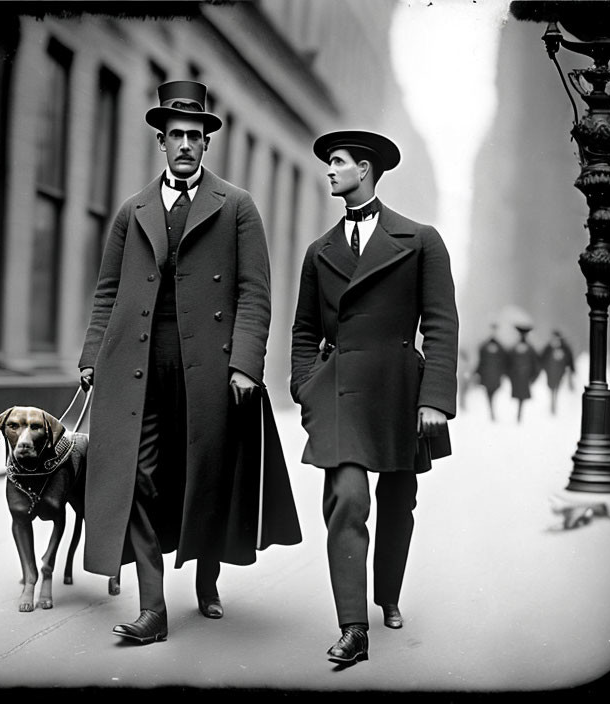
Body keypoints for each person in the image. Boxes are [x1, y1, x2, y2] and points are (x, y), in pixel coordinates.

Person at [78, 80, 301, 645]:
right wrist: (90, 358)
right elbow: (108, 293)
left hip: (211, 366)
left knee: (205, 474)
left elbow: (255, 292)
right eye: (175, 135)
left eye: (194, 136)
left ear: (206, 144)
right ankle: (153, 607)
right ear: (161, 141)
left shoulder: (237, 207)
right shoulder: (134, 211)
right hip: (138, 364)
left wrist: (247, 364)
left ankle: (206, 578)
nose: (184, 144)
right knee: (140, 476)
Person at [290, 130, 458, 666]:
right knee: (347, 498)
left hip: (400, 391)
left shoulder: (421, 240)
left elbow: (440, 324)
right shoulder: (320, 253)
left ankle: (387, 593)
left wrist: (433, 399)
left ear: (364, 169)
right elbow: (303, 330)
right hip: (338, 391)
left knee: (397, 501)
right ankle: (353, 626)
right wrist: (305, 386)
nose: (329, 171)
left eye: (337, 162)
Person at [475, 323, 508, 421]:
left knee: (492, 394)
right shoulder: (484, 347)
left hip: (494, 376)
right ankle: (491, 411)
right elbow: (481, 362)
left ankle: (492, 410)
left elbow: (503, 362)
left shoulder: (499, 348)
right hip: (488, 376)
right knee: (489, 394)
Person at [507, 324, 540, 423]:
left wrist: (533, 378)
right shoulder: (515, 348)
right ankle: (519, 416)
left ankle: (519, 416)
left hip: (524, 378)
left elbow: (536, 365)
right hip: (518, 378)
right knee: (520, 398)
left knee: (521, 398)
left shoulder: (530, 349)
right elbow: (508, 363)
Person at [540, 329, 575, 415]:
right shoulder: (548, 347)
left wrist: (572, 369)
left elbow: (569, 359)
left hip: (560, 372)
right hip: (550, 372)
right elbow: (542, 358)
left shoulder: (565, 348)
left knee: (557, 388)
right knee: (552, 388)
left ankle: (554, 404)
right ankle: (552, 404)